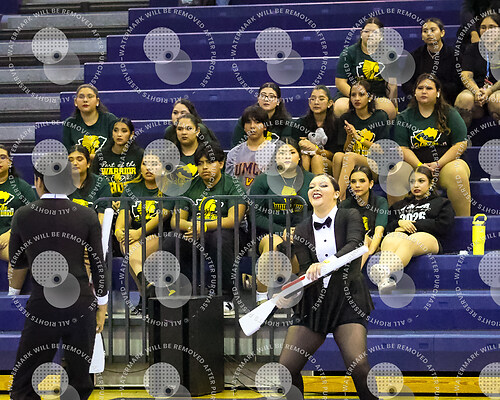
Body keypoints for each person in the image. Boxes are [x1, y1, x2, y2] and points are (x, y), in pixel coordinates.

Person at [9, 167, 108, 400]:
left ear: (38, 181)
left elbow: (17, 260)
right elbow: (98, 265)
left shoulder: (23, 214)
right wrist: (102, 306)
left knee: (24, 383)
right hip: (80, 303)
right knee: (80, 381)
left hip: (43, 302)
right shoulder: (87, 215)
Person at [277, 174, 376, 399]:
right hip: (313, 304)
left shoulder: (350, 215)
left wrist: (325, 264)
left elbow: (355, 246)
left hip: (347, 300)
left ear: (337, 194)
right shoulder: (301, 229)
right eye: (312, 186)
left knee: (359, 367)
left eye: (323, 185)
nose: (316, 188)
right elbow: (306, 271)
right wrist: (291, 292)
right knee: (286, 369)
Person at [163, 143, 246, 310]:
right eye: (200, 163)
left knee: (219, 239)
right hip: (195, 232)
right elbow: (176, 221)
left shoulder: (233, 185)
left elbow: (234, 219)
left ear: (221, 163)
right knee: (171, 243)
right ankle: (188, 292)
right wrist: (193, 227)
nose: (205, 167)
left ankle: (226, 296)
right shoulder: (189, 186)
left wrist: (204, 227)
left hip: (227, 234)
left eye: (210, 162)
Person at [393, 74, 470, 216]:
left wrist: (438, 164)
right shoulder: (404, 117)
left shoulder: (450, 113)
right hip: (415, 167)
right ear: (414, 92)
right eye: (420, 88)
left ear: (438, 92)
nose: (424, 91)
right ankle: (397, 222)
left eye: (429, 88)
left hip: (445, 165)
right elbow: (402, 148)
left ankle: (463, 222)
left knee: (457, 172)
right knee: (396, 172)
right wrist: (420, 166)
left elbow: (461, 144)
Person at [370, 166, 454, 292]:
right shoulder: (399, 205)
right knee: (389, 238)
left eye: (421, 181)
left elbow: (443, 225)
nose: (416, 185)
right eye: (412, 181)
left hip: (430, 239)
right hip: (402, 237)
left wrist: (412, 226)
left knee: (410, 240)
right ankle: (385, 281)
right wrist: (399, 222)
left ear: (431, 183)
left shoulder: (442, 202)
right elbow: (388, 227)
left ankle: (384, 270)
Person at [249, 138, 314, 303]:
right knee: (274, 245)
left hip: (302, 234)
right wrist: (281, 231)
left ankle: (261, 281)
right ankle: (262, 298)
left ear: (299, 156)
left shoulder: (312, 180)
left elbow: (318, 212)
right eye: (282, 153)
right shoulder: (263, 180)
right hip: (269, 233)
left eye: (292, 152)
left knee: (298, 258)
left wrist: (298, 231)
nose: (287, 157)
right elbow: (255, 216)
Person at [115, 154, 171, 297]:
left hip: (160, 235)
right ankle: (146, 288)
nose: (148, 168)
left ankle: (143, 293)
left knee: (131, 251)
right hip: (134, 236)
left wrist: (139, 232)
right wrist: (119, 230)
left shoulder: (169, 188)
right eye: (145, 164)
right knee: (126, 241)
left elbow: (163, 215)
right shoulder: (131, 188)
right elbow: (124, 214)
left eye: (154, 164)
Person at [334, 80, 390, 199]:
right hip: (352, 162)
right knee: (338, 156)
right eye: (353, 95)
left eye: (361, 94)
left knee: (350, 157)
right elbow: (346, 150)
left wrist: (358, 138)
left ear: (370, 97)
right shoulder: (346, 118)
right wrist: (350, 137)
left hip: (376, 165)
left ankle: (338, 198)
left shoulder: (380, 116)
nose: (357, 98)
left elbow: (382, 151)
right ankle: (338, 193)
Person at [334, 17, 397, 120]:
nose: (370, 35)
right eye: (366, 31)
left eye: (375, 32)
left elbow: (392, 84)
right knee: (340, 107)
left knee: (388, 109)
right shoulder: (348, 53)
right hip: (351, 94)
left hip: (377, 96)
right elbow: (340, 82)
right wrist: (358, 96)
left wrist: (394, 104)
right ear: (361, 33)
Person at [0, 145, 37, 291]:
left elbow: (32, 216)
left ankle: (12, 296)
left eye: (2, 157)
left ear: (10, 162)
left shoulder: (21, 187)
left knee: (20, 253)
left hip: (9, 241)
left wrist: (10, 234)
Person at [402, 18, 462, 105]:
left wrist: (434, 92)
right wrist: (420, 93)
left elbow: (457, 84)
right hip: (419, 101)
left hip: (447, 100)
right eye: (425, 31)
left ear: (442, 33)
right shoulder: (414, 56)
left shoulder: (454, 55)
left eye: (433, 30)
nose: (429, 34)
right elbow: (406, 83)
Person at [454, 13, 500, 125]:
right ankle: (460, 135)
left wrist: (489, 91)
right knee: (464, 98)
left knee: (497, 100)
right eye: (483, 27)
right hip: (476, 91)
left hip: (496, 89)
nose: (487, 31)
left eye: (492, 27)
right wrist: (476, 91)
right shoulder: (472, 48)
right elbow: (466, 76)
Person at [339, 165, 388, 268]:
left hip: (372, 244)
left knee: (363, 239)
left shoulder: (380, 202)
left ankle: (353, 274)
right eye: (353, 182)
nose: (357, 185)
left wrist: (369, 252)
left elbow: (379, 231)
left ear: (371, 184)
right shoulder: (345, 205)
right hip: (351, 244)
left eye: (362, 181)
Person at [292, 85, 341, 174]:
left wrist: (316, 149)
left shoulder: (337, 124)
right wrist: (301, 145)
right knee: (304, 157)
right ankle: (303, 182)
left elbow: (335, 156)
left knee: (317, 159)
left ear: (330, 103)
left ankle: (318, 183)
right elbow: (293, 150)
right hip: (305, 161)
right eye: (313, 99)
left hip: (329, 164)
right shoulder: (300, 123)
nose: (316, 102)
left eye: (321, 99)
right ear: (309, 102)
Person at [92, 118, 144, 197]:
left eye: (124, 131)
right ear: (112, 133)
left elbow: (143, 184)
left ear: (131, 134)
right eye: (115, 130)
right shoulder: (101, 154)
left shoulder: (139, 155)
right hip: (105, 200)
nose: (119, 134)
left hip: (131, 200)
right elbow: (92, 181)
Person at [62, 84, 118, 159]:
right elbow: (68, 154)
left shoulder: (110, 119)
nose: (85, 100)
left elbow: (117, 149)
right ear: (75, 102)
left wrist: (91, 158)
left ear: (97, 101)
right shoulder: (69, 123)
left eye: (90, 96)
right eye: (81, 97)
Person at [226, 105, 272, 193]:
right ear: (244, 127)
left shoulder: (275, 152)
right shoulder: (233, 154)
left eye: (257, 122)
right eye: (248, 122)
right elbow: (229, 185)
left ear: (265, 126)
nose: (252, 126)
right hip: (239, 199)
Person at [231, 82, 293, 147]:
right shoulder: (246, 120)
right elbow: (236, 147)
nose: (266, 99)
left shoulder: (286, 122)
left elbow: (287, 148)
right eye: (263, 96)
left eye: (271, 96)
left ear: (278, 101)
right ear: (258, 98)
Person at [68, 145, 112, 224]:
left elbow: (103, 216)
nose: (74, 163)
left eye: (79, 159)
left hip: (93, 229)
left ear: (88, 163)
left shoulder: (101, 183)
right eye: (70, 160)